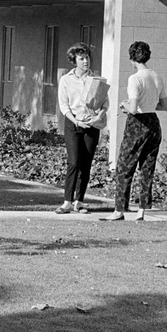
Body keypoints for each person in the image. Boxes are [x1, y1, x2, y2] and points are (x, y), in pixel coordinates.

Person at [102, 41, 167, 222]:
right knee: (147, 167)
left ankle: (119, 210)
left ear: (132, 58)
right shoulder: (156, 77)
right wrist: (146, 105)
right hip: (153, 122)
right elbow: (164, 105)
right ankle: (142, 211)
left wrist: (124, 105)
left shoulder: (134, 78)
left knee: (125, 165)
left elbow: (132, 108)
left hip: (137, 124)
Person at [56, 42, 108, 214]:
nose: (86, 61)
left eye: (87, 58)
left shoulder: (96, 79)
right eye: (82, 58)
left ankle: (79, 201)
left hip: (91, 124)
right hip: (73, 123)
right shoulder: (66, 79)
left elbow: (104, 103)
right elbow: (64, 106)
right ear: (75, 60)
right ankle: (67, 201)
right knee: (74, 162)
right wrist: (76, 121)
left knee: (86, 164)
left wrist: (99, 115)